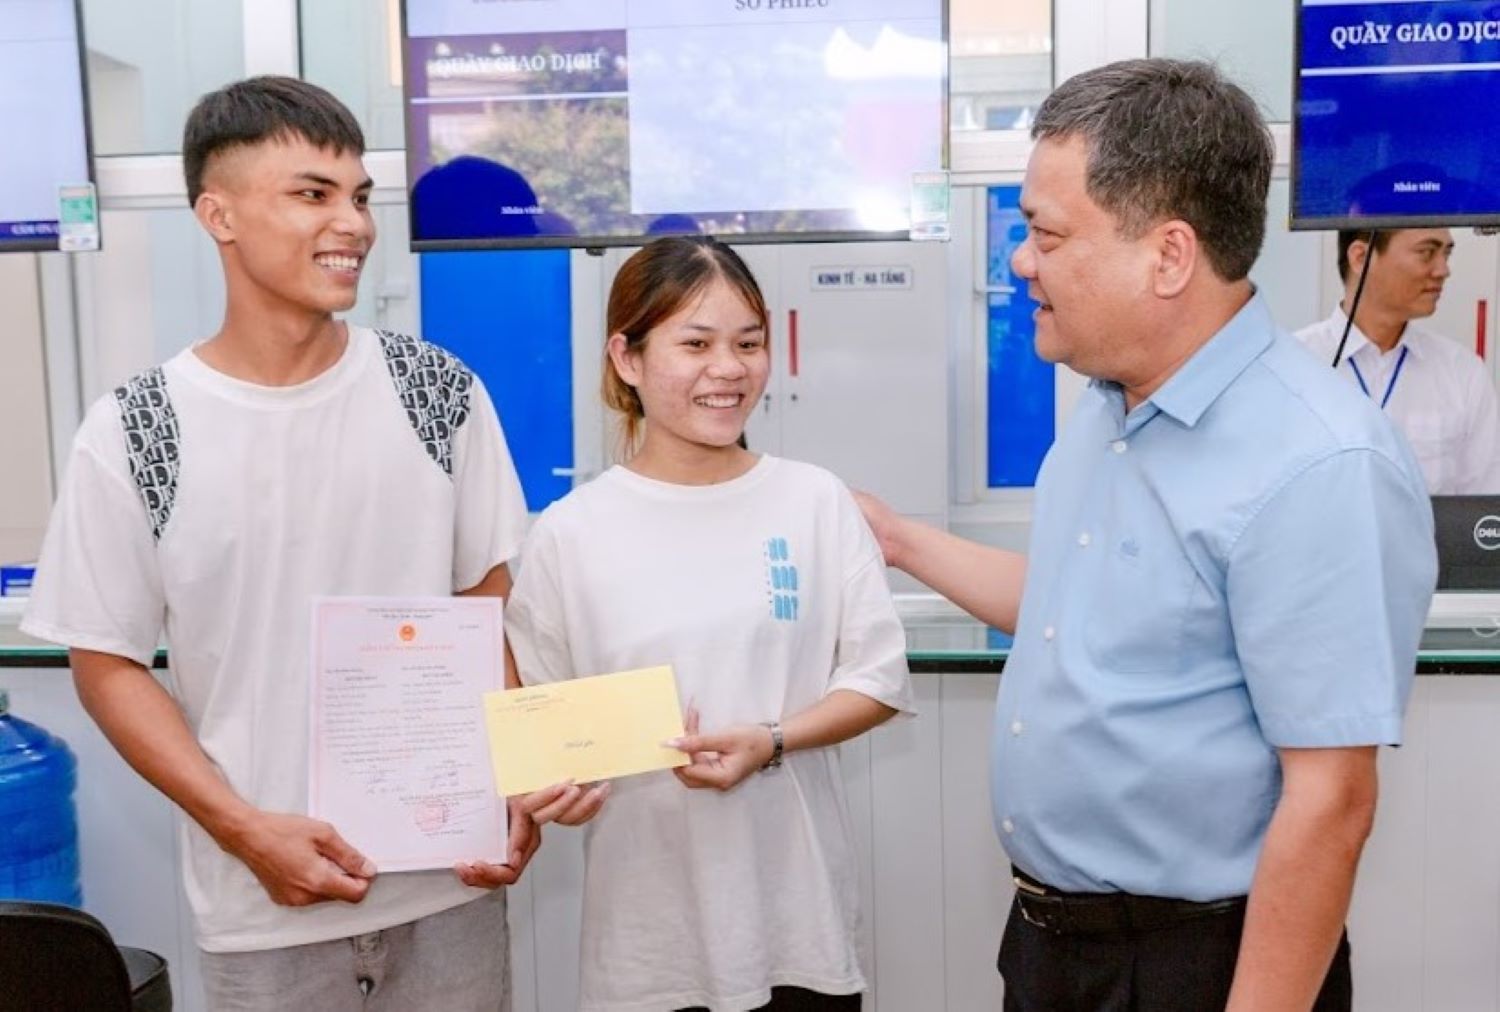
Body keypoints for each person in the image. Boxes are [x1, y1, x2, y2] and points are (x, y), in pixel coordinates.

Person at [856, 59, 1436, 1010]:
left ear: (1168, 256)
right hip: (1053, 948)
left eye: (1045, 233)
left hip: (1197, 966)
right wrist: (897, 538)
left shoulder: (1320, 462)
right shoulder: (1107, 407)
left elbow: (1331, 803)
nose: (1019, 260)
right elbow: (1068, 608)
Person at [21, 76, 537, 1010]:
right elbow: (107, 660)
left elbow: (481, 608)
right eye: (312, 194)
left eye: (359, 196)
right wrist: (245, 829)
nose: (352, 223)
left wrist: (518, 781)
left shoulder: (439, 393)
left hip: (448, 883)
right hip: (264, 904)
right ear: (218, 214)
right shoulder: (139, 427)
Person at [505, 235, 912, 1012]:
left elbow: (876, 678)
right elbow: (545, 725)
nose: (729, 369)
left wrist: (773, 738)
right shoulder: (570, 531)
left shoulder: (814, 501)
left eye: (748, 343)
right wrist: (555, 787)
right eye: (696, 343)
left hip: (798, 926)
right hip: (647, 942)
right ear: (627, 358)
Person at [1296, 228, 1500, 493]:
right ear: (1361, 258)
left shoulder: (1462, 373)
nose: (1443, 270)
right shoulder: (1292, 365)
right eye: (1426, 253)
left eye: (1446, 254)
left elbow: (1483, 513)